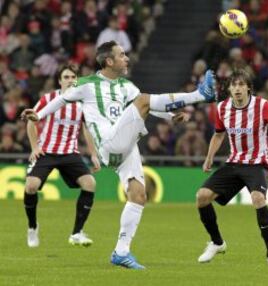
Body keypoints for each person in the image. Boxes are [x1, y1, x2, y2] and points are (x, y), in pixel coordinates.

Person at [21, 40, 217, 269]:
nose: (126, 58)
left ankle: (121, 252)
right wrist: (39, 114)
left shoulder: (126, 86)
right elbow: (60, 99)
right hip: (109, 142)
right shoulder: (86, 84)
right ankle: (199, 95)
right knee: (143, 100)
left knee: (138, 195)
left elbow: (148, 107)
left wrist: (170, 117)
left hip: (124, 146)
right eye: (122, 55)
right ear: (108, 61)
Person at [196, 70, 268, 267]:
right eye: (233, 85)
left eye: (241, 85)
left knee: (258, 198)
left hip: (257, 163)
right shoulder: (222, 108)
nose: (237, 89)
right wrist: (209, 158)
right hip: (234, 163)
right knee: (202, 196)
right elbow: (218, 135)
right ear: (229, 88)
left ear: (248, 87)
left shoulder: (262, 106)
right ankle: (217, 243)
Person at [24, 65, 101, 248]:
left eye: (73, 77)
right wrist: (35, 147)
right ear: (59, 81)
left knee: (90, 184)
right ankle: (32, 227)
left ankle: (76, 233)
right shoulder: (49, 99)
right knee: (31, 186)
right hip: (47, 151)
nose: (70, 80)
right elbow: (31, 121)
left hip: (69, 153)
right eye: (66, 77)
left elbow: (87, 129)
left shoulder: (82, 103)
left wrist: (93, 154)